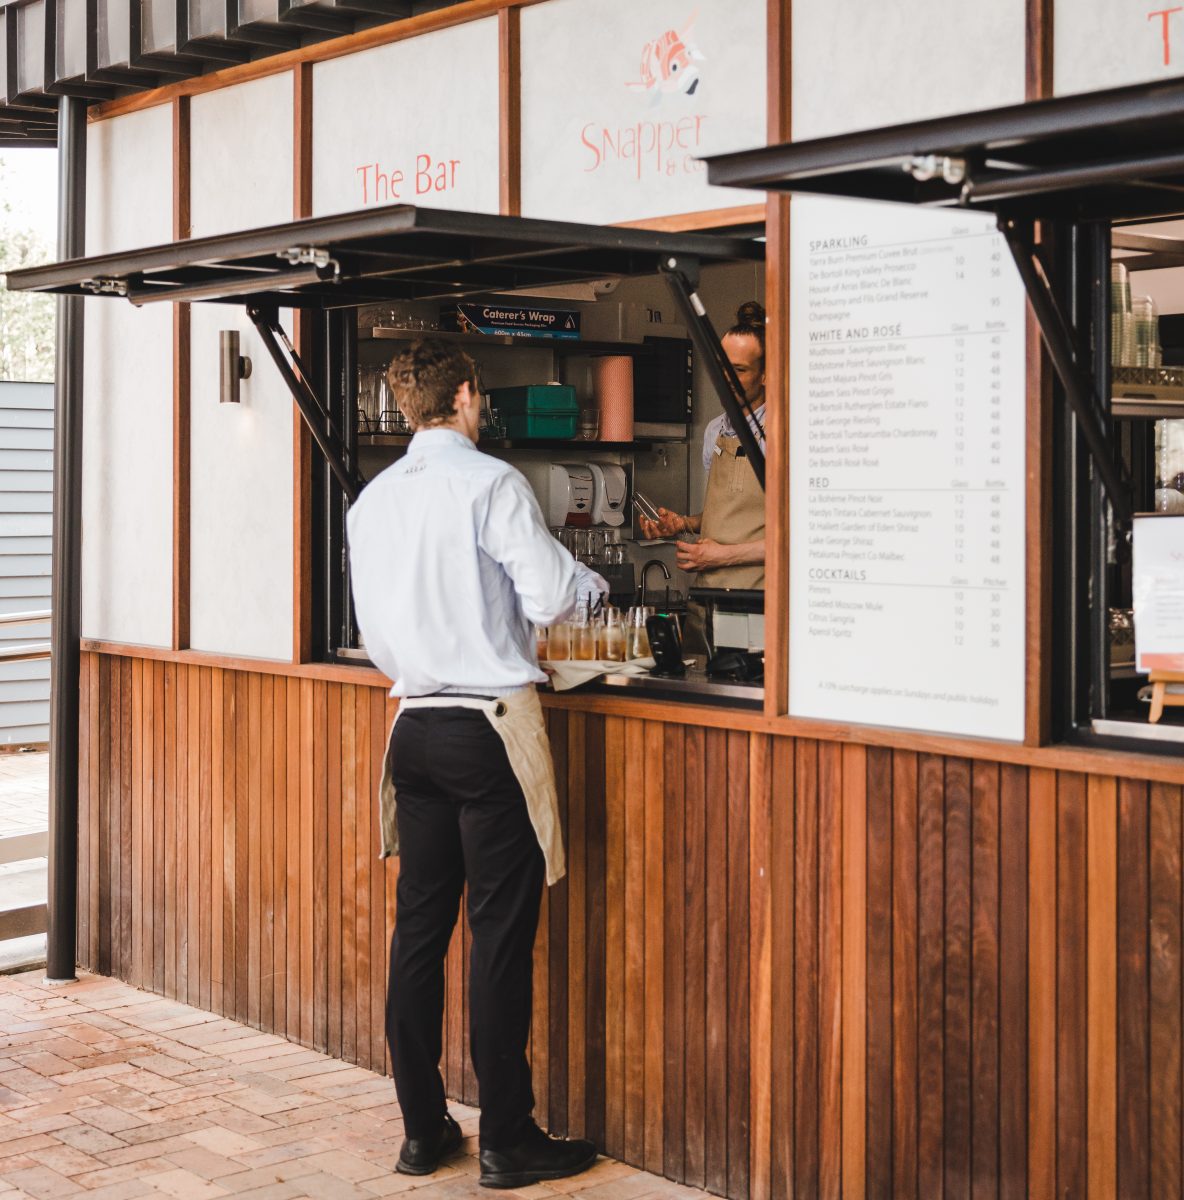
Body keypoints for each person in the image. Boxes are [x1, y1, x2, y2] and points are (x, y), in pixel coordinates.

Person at [346, 339, 604, 1188]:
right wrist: (589, 585)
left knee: (418, 931)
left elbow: (379, 633)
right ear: (463, 395)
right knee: (498, 938)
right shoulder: (491, 482)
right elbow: (553, 597)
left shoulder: (372, 500)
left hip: (412, 729)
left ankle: (424, 1130)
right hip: (488, 728)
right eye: (477, 395)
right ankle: (507, 1139)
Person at [638, 300, 766, 589]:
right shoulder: (715, 431)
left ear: (766, 375)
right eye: (721, 367)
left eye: (739, 370)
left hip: (758, 600)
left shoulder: (784, 437)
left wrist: (723, 557)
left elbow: (801, 542)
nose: (726, 379)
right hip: (710, 593)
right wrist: (682, 524)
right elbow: (728, 515)